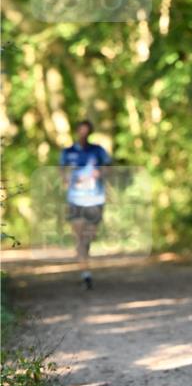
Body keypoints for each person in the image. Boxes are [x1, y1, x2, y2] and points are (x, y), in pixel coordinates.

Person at [59, 120, 112, 289]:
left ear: (90, 133)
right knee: (80, 237)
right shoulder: (67, 152)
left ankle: (84, 262)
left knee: (89, 236)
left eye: (86, 131)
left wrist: (99, 172)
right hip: (75, 200)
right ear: (76, 131)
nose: (83, 134)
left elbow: (109, 169)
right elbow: (61, 173)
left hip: (95, 199)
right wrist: (70, 179)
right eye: (81, 131)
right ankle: (86, 275)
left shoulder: (98, 150)